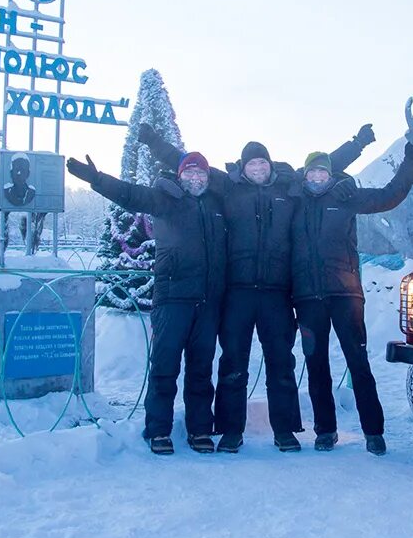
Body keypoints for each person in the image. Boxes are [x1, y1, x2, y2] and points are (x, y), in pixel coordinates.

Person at [138, 122, 374, 453]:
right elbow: (188, 161)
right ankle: (231, 431)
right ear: (243, 166)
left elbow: (322, 168)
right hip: (238, 292)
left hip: (277, 293)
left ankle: (285, 431)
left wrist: (357, 143)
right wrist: (153, 142)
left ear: (269, 163)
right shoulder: (229, 186)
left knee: (281, 363)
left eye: (262, 162)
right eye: (252, 163)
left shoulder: (289, 184)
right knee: (233, 362)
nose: (258, 167)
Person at [67, 150, 226, 456]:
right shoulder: (166, 199)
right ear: (180, 176)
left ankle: (200, 429)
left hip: (207, 302)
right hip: (173, 298)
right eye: (190, 173)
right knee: (165, 367)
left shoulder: (216, 204)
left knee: (201, 370)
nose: (196, 178)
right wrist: (97, 180)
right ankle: (159, 430)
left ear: (208, 177)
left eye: (201, 174)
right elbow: (130, 194)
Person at [291, 137, 413, 455]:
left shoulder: (345, 196)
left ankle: (373, 432)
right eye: (313, 172)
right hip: (308, 298)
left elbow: (390, 196)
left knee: (358, 362)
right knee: (316, 363)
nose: (318, 177)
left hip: (345, 294)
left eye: (323, 172)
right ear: (305, 175)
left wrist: (411, 161)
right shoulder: (295, 201)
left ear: (329, 175)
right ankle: (325, 430)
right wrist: (357, 143)